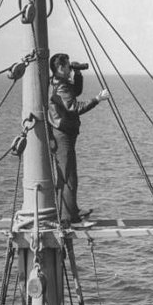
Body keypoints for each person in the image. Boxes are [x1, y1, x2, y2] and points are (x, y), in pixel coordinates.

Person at [48, 53, 109, 226]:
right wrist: (98, 99)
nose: (69, 69)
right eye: (68, 66)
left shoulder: (59, 83)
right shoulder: (60, 87)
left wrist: (78, 74)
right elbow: (74, 107)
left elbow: (75, 92)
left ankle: (72, 211)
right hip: (63, 135)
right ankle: (69, 219)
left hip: (64, 133)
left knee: (69, 175)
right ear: (61, 68)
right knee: (68, 177)